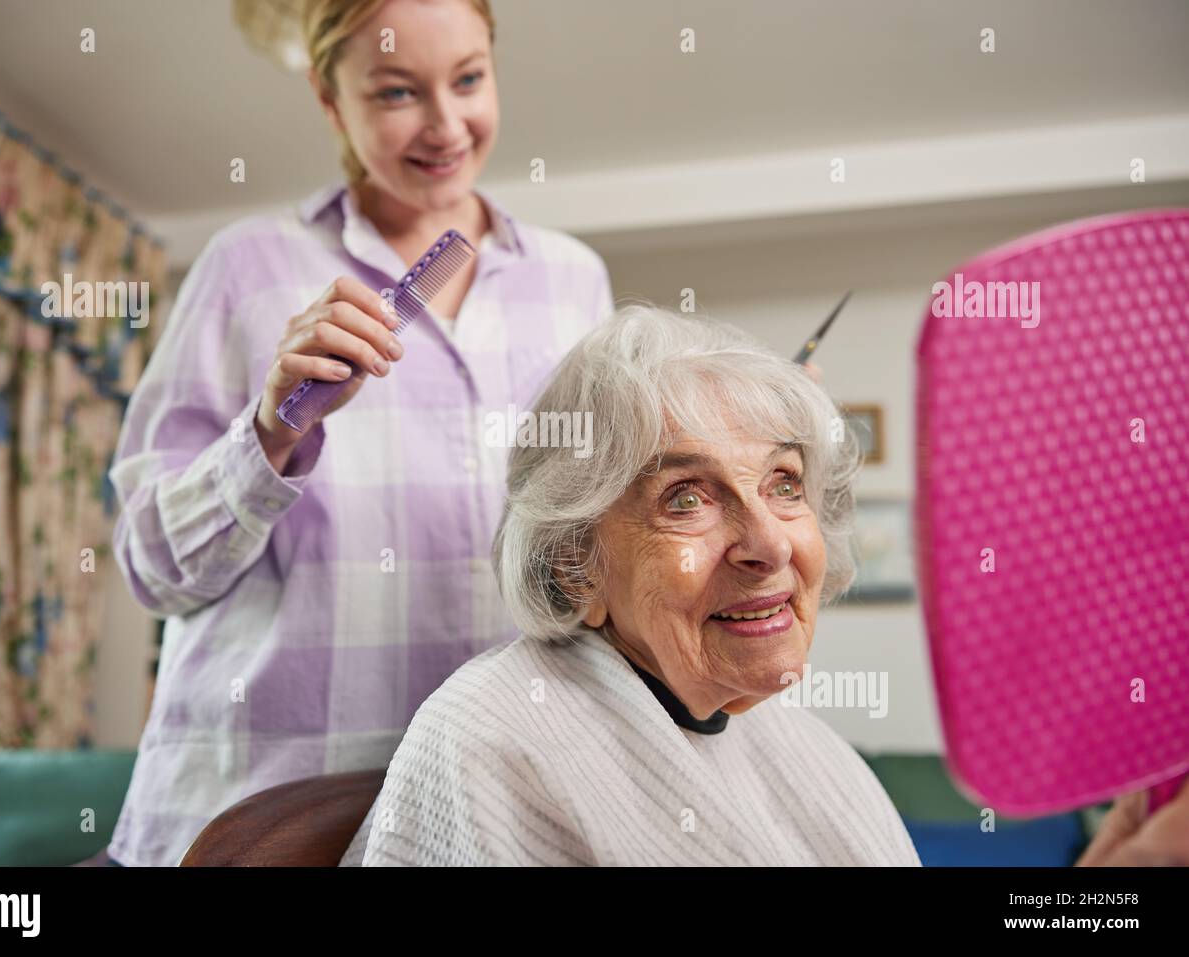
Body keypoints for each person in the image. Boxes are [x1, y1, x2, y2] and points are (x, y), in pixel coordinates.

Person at [343, 304, 1189, 866]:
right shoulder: (492, 737)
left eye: (784, 483)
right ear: (576, 565)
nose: (767, 542)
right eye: (687, 496)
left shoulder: (787, 737)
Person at [105, 0, 613, 866]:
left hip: (486, 818)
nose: (447, 126)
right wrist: (269, 432)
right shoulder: (247, 266)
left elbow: (595, 553)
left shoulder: (574, 283)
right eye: (396, 92)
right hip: (250, 817)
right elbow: (153, 567)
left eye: (469, 79)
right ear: (329, 98)